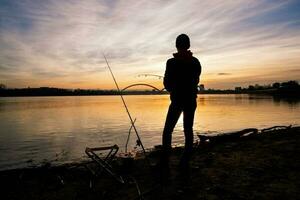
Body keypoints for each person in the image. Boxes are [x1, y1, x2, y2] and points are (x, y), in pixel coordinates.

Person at [162, 34, 201, 168]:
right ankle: (185, 161)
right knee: (188, 129)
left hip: (177, 101)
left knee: (168, 130)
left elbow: (166, 84)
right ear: (188, 45)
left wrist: (174, 87)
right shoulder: (195, 62)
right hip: (191, 101)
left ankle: (165, 160)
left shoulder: (171, 62)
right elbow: (196, 80)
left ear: (176, 46)